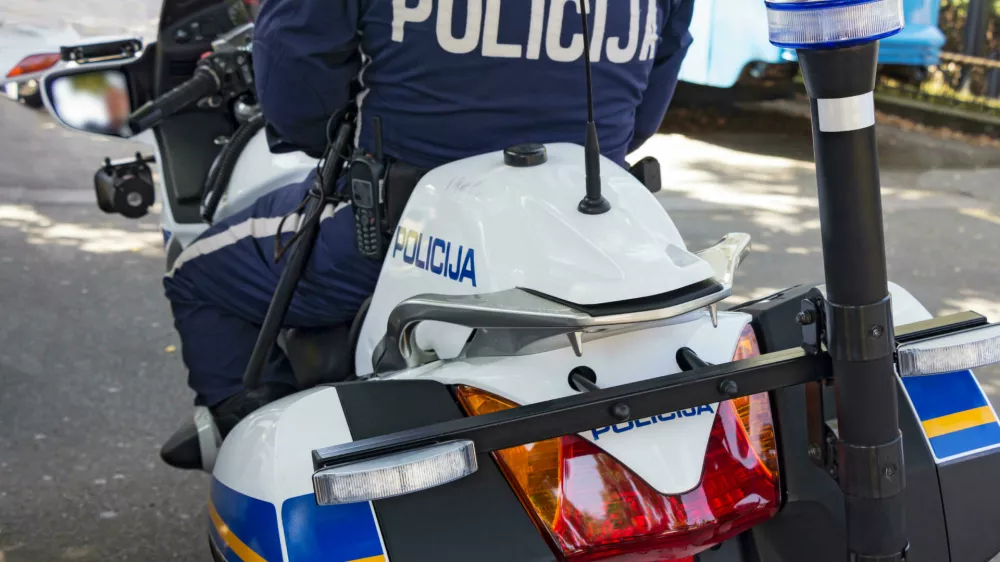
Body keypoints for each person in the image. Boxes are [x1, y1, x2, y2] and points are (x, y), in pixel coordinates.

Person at [162, 0, 696, 446]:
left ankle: (273, 448)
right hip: (591, 240)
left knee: (195, 275)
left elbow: (298, 95)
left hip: (394, 235)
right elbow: (643, 114)